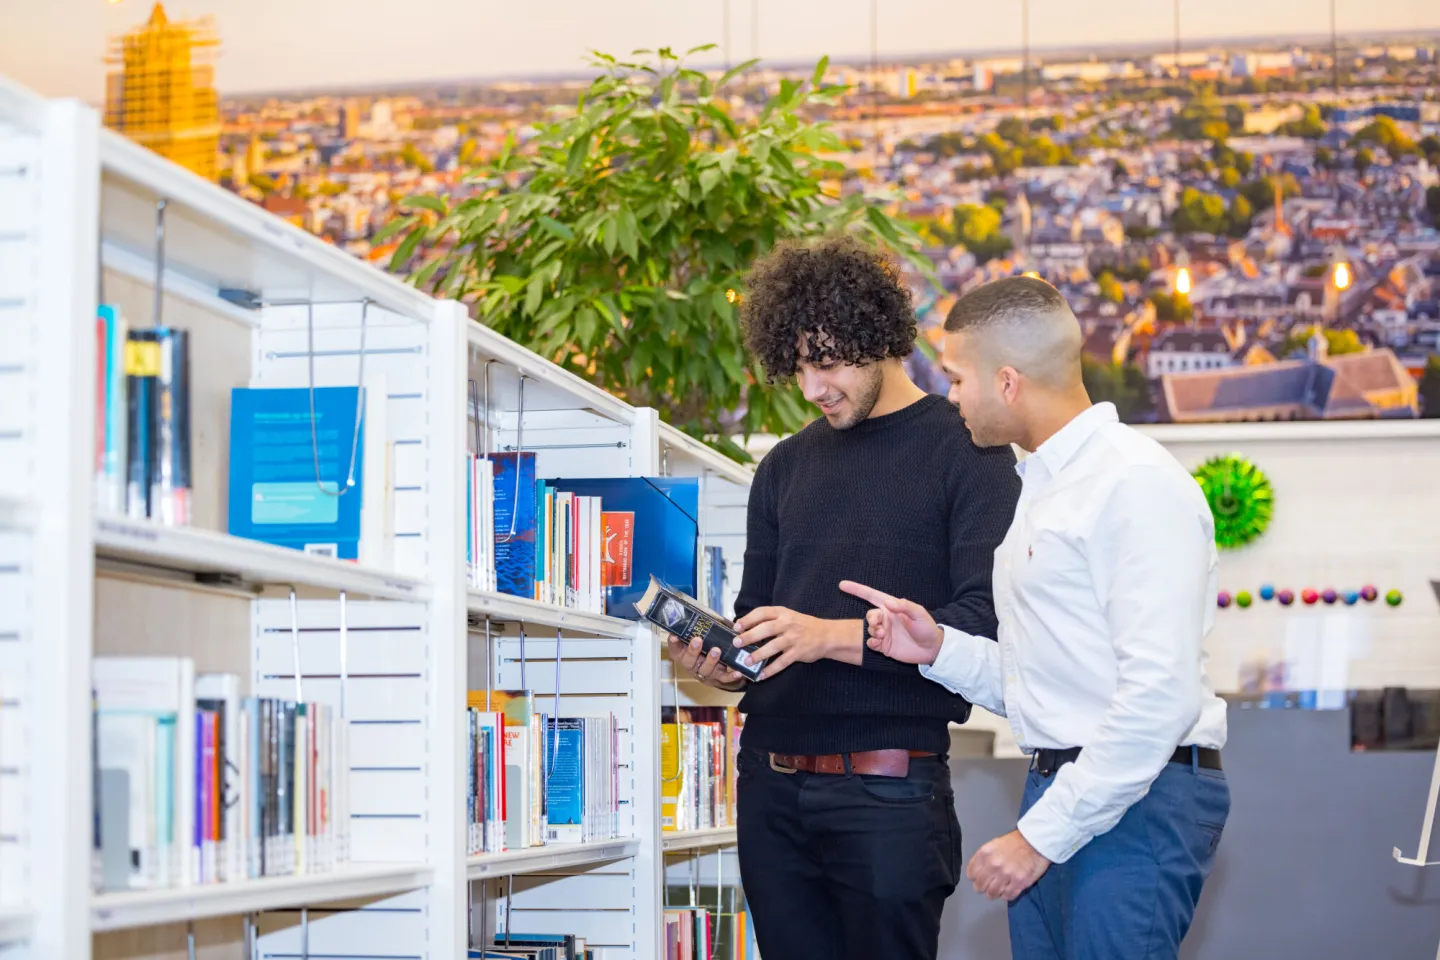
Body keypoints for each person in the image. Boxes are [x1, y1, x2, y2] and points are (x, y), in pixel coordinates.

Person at [840, 274, 1230, 960]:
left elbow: (1157, 697)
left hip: (1136, 800)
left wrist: (1040, 837)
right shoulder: (1042, 489)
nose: (950, 395)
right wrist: (937, 649)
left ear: (1009, 382)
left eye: (958, 379)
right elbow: (1046, 678)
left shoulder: (1133, 484)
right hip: (1070, 788)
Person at [664, 233, 1021, 960]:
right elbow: (760, 617)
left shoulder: (970, 452)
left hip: (890, 791)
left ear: (881, 338)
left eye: (827, 363)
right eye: (797, 367)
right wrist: (727, 661)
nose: (812, 388)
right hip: (768, 784)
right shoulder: (785, 467)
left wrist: (828, 635)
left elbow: (981, 627)